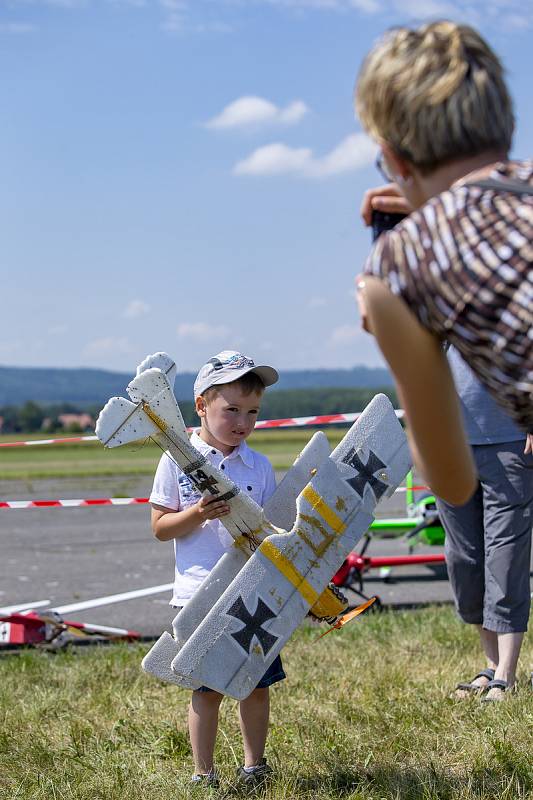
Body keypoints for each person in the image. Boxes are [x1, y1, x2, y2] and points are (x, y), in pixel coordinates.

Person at [354, 19, 533, 506]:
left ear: (395, 160)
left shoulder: (402, 262)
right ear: (509, 124)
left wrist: (393, 325)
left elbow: (451, 482)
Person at [150, 350, 284, 788]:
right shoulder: (176, 460)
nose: (242, 421)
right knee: (205, 691)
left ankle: (254, 768)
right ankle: (203, 774)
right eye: (231, 410)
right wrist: (198, 514)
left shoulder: (260, 466)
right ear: (202, 406)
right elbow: (160, 528)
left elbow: (272, 529)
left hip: (251, 593)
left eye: (252, 412)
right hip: (198, 596)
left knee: (256, 684)